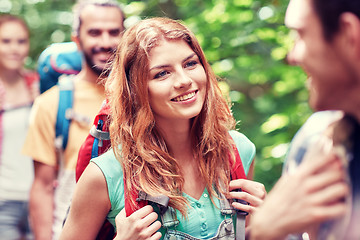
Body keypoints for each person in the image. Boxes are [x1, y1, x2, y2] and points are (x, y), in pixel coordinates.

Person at [60, 17, 266, 240]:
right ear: (135, 91)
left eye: (190, 64)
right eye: (162, 73)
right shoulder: (105, 175)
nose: (184, 80)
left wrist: (266, 219)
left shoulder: (238, 151)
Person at [249, 0, 360, 239]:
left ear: (350, 35)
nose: (292, 56)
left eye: (301, 34)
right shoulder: (315, 143)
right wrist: (264, 230)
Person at [21, 1, 125, 239]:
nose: (106, 42)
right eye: (95, 32)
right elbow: (43, 186)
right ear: (77, 38)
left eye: (113, 32)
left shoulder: (144, 95)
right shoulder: (52, 103)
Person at [0, 14, 39, 240]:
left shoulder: (39, 84)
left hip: (40, 198)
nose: (15, 48)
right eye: (6, 41)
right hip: (4, 201)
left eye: (21, 41)